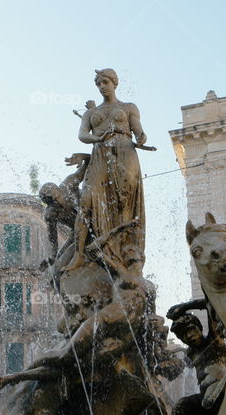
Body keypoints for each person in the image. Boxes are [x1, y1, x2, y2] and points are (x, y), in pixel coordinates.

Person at [66, 68, 148, 272]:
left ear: (114, 83)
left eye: (105, 82)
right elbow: (82, 134)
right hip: (100, 155)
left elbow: (138, 129)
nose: (102, 86)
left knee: (124, 204)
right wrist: (97, 139)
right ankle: (79, 254)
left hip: (125, 152)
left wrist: (141, 136)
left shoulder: (128, 107)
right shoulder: (91, 113)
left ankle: (125, 253)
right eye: (99, 83)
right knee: (86, 200)